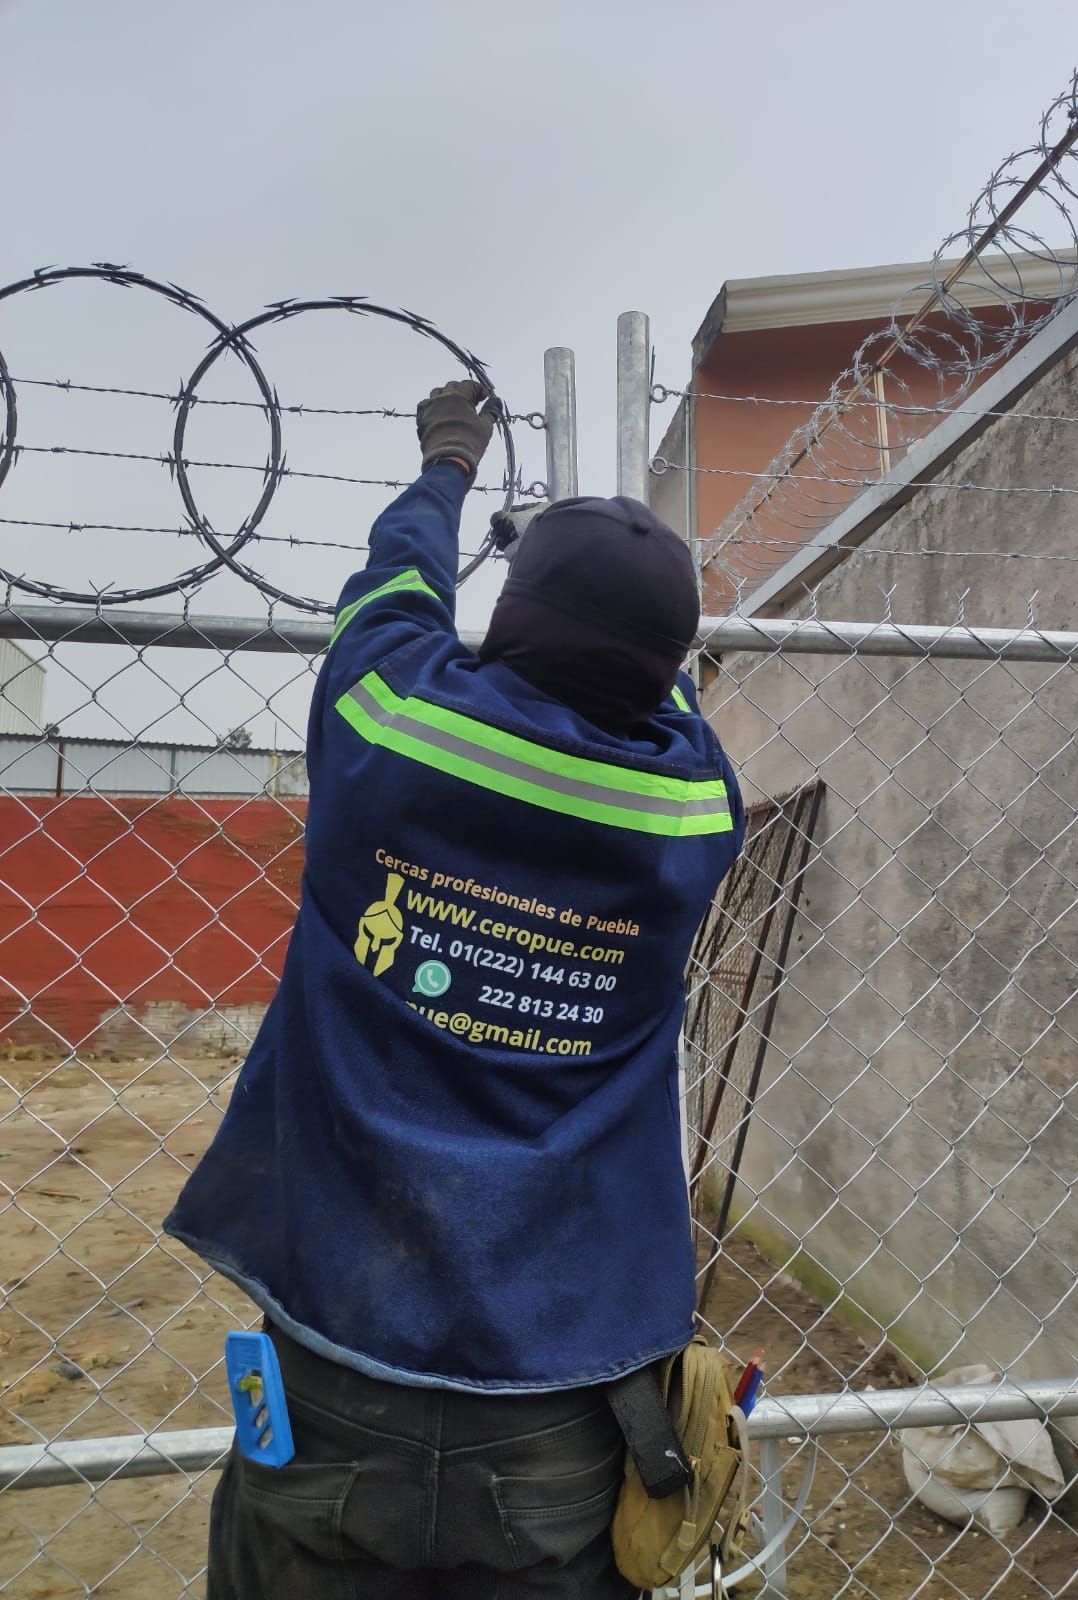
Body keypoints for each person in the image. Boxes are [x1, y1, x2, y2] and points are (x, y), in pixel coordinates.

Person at [166, 380, 745, 1598]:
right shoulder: (692, 813)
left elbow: (392, 591)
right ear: (663, 670)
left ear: (510, 621)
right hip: (562, 1400)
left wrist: (448, 465)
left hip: (337, 1354)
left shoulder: (386, 727)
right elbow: (674, 703)